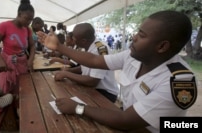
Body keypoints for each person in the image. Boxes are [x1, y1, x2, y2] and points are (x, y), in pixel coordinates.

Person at [37, 10, 197, 132]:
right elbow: (95, 61)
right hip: (129, 118)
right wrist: (60, 47)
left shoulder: (178, 82)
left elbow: (125, 120)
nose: (134, 37)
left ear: (162, 46)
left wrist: (78, 108)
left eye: (142, 35)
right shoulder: (133, 55)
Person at [53, 23, 119, 103]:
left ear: (83, 41)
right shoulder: (87, 46)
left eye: (74, 38)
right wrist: (68, 71)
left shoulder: (100, 49)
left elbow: (93, 81)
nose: (72, 39)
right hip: (92, 89)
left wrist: (67, 75)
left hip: (105, 93)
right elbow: (84, 67)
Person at [0, 0, 35, 98]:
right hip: (7, 65)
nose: (29, 22)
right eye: (27, 18)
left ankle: (19, 111)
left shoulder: (27, 29)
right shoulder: (4, 26)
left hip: (21, 64)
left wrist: (30, 60)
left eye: (31, 20)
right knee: (6, 91)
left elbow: (32, 45)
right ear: (19, 14)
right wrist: (0, 60)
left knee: (21, 91)